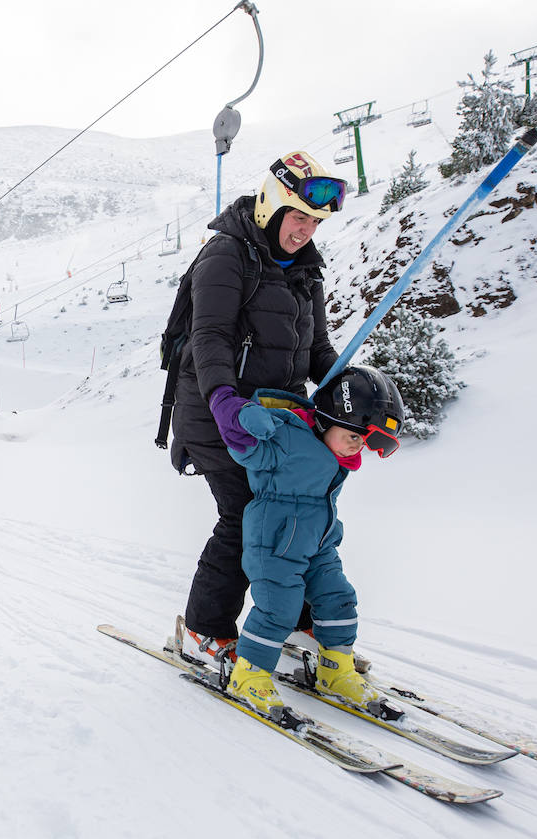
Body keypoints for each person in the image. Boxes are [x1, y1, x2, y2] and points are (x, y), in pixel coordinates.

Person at [171, 150, 346, 671]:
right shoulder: (227, 255)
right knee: (249, 514)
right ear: (272, 206)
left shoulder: (306, 272)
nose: (306, 231)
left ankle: (294, 621)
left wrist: (348, 391)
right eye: (299, 217)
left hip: (277, 420)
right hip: (215, 412)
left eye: (315, 222)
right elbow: (210, 336)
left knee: (300, 511)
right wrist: (225, 400)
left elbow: (316, 352)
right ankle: (205, 629)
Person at [216, 366, 404, 720]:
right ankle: (249, 674)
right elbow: (242, 447)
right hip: (275, 544)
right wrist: (242, 418)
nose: (358, 444)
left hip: (320, 545)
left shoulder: (338, 455)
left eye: (363, 439)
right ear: (329, 418)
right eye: (354, 435)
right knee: (279, 609)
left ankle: (336, 671)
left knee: (340, 599)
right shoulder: (287, 436)